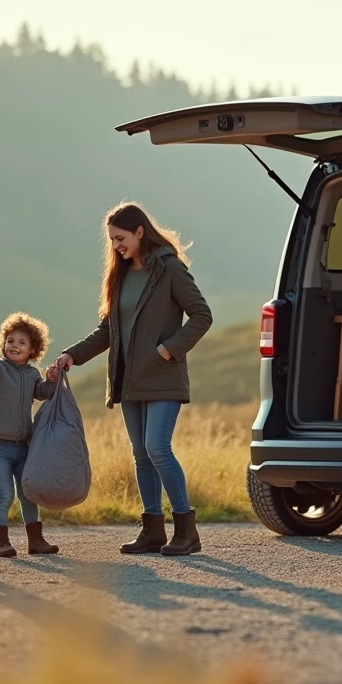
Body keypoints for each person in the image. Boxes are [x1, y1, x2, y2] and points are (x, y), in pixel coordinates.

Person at [56, 202, 212, 556]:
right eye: (111, 240)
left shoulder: (170, 268)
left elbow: (202, 315)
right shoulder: (121, 275)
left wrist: (169, 350)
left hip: (162, 376)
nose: (116, 246)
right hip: (129, 380)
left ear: (140, 232)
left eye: (121, 238)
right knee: (141, 454)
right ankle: (153, 530)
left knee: (158, 448)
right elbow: (107, 331)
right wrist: (72, 355)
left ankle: (187, 531)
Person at [0, 311, 61, 557]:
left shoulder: (32, 374)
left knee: (27, 495)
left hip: (24, 448)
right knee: (4, 495)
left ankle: (36, 541)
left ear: (33, 349)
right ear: (3, 343)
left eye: (22, 342)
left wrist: (52, 380)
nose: (14, 346)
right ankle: (0, 542)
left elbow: (43, 392)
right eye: (10, 341)